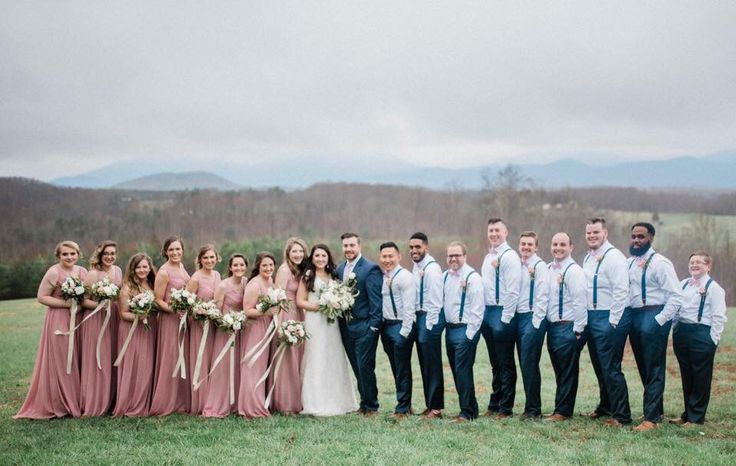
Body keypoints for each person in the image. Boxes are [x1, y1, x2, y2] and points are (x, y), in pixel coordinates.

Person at [15, 241, 91, 419]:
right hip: (58, 319)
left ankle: (78, 400)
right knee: (62, 359)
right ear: (58, 256)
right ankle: (59, 402)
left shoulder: (82, 272)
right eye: (65, 254)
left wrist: (79, 306)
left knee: (78, 358)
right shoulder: (54, 272)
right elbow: (42, 297)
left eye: (73, 253)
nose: (69, 257)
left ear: (78, 254)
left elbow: (86, 295)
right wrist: (67, 304)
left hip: (78, 318)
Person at [627, 222, 683, 432]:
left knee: (654, 367)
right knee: (643, 366)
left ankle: (651, 419)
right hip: (635, 316)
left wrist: (660, 320)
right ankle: (655, 411)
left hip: (654, 314)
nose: (636, 240)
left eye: (641, 236)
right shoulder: (630, 263)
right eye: (633, 236)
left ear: (650, 238)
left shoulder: (661, 263)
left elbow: (676, 296)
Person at [296, 244, 358, 416]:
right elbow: (300, 301)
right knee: (316, 356)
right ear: (312, 258)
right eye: (317, 256)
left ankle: (339, 400)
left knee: (333, 356)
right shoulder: (308, 275)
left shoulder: (334, 274)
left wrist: (336, 303)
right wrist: (320, 306)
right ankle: (315, 401)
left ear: (328, 257)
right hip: (315, 320)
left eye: (323, 256)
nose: (320, 259)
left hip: (331, 323)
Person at [581, 218, 631, 426]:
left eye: (596, 232)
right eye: (589, 233)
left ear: (605, 233)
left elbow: (621, 290)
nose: (592, 236)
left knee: (611, 366)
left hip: (610, 316)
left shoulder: (614, 257)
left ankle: (622, 415)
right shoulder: (588, 258)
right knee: (599, 365)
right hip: (592, 316)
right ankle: (606, 406)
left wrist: (613, 321)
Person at [671, 251, 727, 426]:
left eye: (699, 262)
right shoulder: (683, 284)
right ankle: (687, 414)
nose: (694, 265)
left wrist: (713, 339)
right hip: (682, 332)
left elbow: (719, 317)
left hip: (702, 334)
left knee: (700, 376)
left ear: (708, 266)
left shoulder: (715, 288)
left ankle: (696, 418)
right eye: (692, 262)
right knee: (687, 375)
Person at [336, 233, 383, 416]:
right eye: (345, 246)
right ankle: (364, 404)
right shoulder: (340, 269)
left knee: (365, 367)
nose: (348, 249)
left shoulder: (370, 269)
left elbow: (376, 302)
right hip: (346, 328)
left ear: (359, 246)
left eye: (352, 245)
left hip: (365, 327)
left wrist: (373, 327)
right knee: (357, 367)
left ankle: (372, 407)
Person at [480, 218, 521, 418]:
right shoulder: (488, 257)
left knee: (505, 363)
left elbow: (513, 291)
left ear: (506, 232)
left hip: (503, 313)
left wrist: (505, 319)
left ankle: (506, 408)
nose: (494, 234)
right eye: (491, 230)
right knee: (494, 362)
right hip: (488, 313)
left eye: (497, 230)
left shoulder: (510, 256)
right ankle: (494, 403)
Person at [545, 232, 587, 421]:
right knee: (559, 370)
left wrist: (578, 330)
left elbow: (580, 302)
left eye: (562, 244)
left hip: (568, 326)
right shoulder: (548, 269)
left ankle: (563, 411)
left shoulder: (574, 270)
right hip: (552, 327)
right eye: (555, 244)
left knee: (567, 370)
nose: (558, 248)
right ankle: (559, 408)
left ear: (571, 247)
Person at [80, 240, 123, 416]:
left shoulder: (118, 270)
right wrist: (100, 306)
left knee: (112, 356)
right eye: (106, 254)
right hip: (96, 319)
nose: (109, 257)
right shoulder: (92, 274)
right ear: (100, 254)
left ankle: (112, 399)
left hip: (114, 318)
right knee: (97, 358)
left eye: (112, 253)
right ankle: (95, 401)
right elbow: (83, 300)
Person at [442, 241, 484, 423]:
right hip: (450, 330)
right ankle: (471, 409)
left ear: (464, 256)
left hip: (465, 330)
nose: (453, 258)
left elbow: (478, 308)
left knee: (462, 371)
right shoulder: (444, 276)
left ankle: (466, 413)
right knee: (456, 370)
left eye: (457, 255)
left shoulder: (473, 277)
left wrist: (469, 334)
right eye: (450, 255)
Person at [150, 236, 191, 415]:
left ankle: (181, 399)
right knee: (170, 356)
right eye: (171, 250)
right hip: (170, 320)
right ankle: (165, 400)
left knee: (182, 357)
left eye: (178, 249)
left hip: (183, 319)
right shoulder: (164, 272)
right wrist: (174, 311)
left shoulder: (182, 267)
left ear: (182, 250)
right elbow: (158, 299)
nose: (175, 253)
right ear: (166, 252)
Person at [112, 253, 157, 417]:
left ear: (150, 268)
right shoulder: (127, 288)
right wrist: (141, 316)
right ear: (132, 269)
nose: (142, 270)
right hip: (132, 330)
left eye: (145, 266)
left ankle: (145, 401)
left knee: (147, 365)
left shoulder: (152, 283)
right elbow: (124, 314)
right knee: (134, 365)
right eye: (138, 267)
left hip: (150, 329)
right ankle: (131, 404)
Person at [202, 253, 246, 417]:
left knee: (238, 365)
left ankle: (235, 403)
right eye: (235, 265)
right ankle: (219, 404)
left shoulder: (246, 282)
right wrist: (228, 322)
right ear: (230, 267)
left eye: (242, 265)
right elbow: (216, 311)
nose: (239, 268)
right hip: (225, 331)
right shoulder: (223, 286)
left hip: (240, 331)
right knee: (223, 367)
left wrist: (239, 322)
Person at [378, 241, 416, 419]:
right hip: (387, 326)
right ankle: (405, 404)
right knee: (396, 367)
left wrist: (404, 332)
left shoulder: (405, 277)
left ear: (399, 257)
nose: (387, 260)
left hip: (401, 326)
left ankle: (402, 408)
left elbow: (410, 309)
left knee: (402, 368)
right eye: (384, 256)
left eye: (390, 256)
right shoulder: (383, 276)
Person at [408, 232, 445, 419]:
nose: (414, 250)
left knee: (433, 363)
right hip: (419, 317)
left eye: (418, 247)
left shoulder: (432, 268)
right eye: (411, 247)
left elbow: (436, 301)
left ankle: (436, 408)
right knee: (425, 364)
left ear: (426, 247)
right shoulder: (416, 267)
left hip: (430, 318)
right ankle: (430, 404)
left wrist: (429, 327)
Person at [239, 251, 279, 419]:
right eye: (264, 265)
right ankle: (250, 408)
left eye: (271, 265)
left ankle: (261, 402)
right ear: (258, 266)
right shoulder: (254, 285)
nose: (268, 268)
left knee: (263, 366)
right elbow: (247, 310)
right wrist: (267, 311)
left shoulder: (270, 281)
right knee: (253, 366)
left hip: (269, 326)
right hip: (256, 328)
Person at [270, 237, 308, 414]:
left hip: (298, 314)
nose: (298, 254)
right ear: (288, 253)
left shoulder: (300, 270)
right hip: (286, 313)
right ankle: (285, 403)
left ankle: (298, 399)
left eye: (301, 251)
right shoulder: (284, 270)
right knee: (286, 358)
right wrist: (278, 324)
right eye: (294, 251)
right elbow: (277, 297)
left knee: (297, 358)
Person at [515, 231, 550, 420]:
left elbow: (543, 295)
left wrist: (536, 322)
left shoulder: (540, 266)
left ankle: (534, 409)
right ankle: (530, 406)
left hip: (533, 317)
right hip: (518, 317)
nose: (526, 247)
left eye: (530, 244)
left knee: (529, 362)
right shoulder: (516, 265)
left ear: (536, 247)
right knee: (524, 362)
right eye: (523, 244)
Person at [187, 244, 222, 414]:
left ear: (217, 258)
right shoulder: (195, 278)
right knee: (201, 360)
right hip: (200, 325)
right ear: (200, 260)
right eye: (205, 258)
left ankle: (214, 398)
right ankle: (201, 401)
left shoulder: (217, 275)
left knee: (212, 359)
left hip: (214, 324)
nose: (209, 260)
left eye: (211, 257)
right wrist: (200, 312)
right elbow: (188, 303)